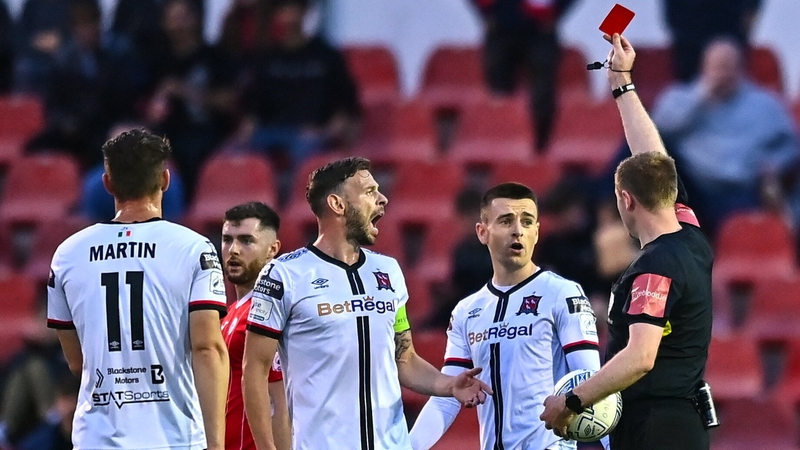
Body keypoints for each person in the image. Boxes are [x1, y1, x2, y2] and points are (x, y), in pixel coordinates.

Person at [242, 157, 492, 450]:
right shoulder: (284, 275)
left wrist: (448, 385)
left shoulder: (388, 272)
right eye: (370, 191)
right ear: (338, 204)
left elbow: (404, 359)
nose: (383, 198)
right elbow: (254, 370)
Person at [540, 34, 714, 450]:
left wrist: (573, 400)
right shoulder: (690, 235)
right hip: (683, 424)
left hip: (654, 428)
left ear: (625, 199)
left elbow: (640, 357)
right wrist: (622, 84)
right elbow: (654, 159)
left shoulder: (653, 268)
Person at [46, 129, 230, 450]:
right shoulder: (193, 248)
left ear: (107, 183)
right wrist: (215, 445)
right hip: (174, 438)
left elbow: (77, 362)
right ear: (165, 180)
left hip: (98, 438)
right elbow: (207, 349)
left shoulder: (68, 254)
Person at [409, 182, 602, 450]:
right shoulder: (467, 310)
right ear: (482, 232)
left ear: (537, 231)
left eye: (527, 221)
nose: (517, 230)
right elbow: (447, 398)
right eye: (506, 221)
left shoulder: (562, 293)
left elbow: (593, 384)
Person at [652, 37, 799, 236]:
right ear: (704, 68)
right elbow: (658, 130)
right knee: (637, 145)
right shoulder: (680, 97)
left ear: (741, 69)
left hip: (738, 188)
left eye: (729, 67)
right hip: (690, 183)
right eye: (717, 67)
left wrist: (774, 163)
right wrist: (700, 98)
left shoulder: (765, 104)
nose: (723, 74)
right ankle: (608, 214)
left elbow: (790, 145)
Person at [220, 202, 290, 450]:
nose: (233, 250)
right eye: (227, 240)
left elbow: (279, 400)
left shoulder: (269, 314)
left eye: (246, 241)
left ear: (273, 249)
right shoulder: (228, 315)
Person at [469, 0, 579, 152]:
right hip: (501, 29)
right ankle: (498, 147)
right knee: (497, 96)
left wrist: (555, 13)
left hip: (541, 32)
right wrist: (486, 13)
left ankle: (541, 150)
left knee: (543, 94)